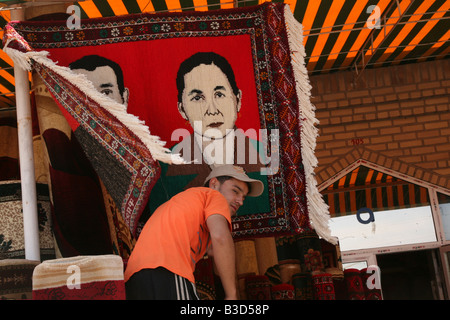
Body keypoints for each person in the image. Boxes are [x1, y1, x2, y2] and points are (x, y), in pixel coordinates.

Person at [124, 164, 264, 300]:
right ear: (214, 184)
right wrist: (232, 294)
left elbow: (214, 251)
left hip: (135, 278)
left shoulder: (189, 203)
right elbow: (221, 239)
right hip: (167, 269)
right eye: (235, 191)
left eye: (244, 197)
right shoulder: (214, 196)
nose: (240, 201)